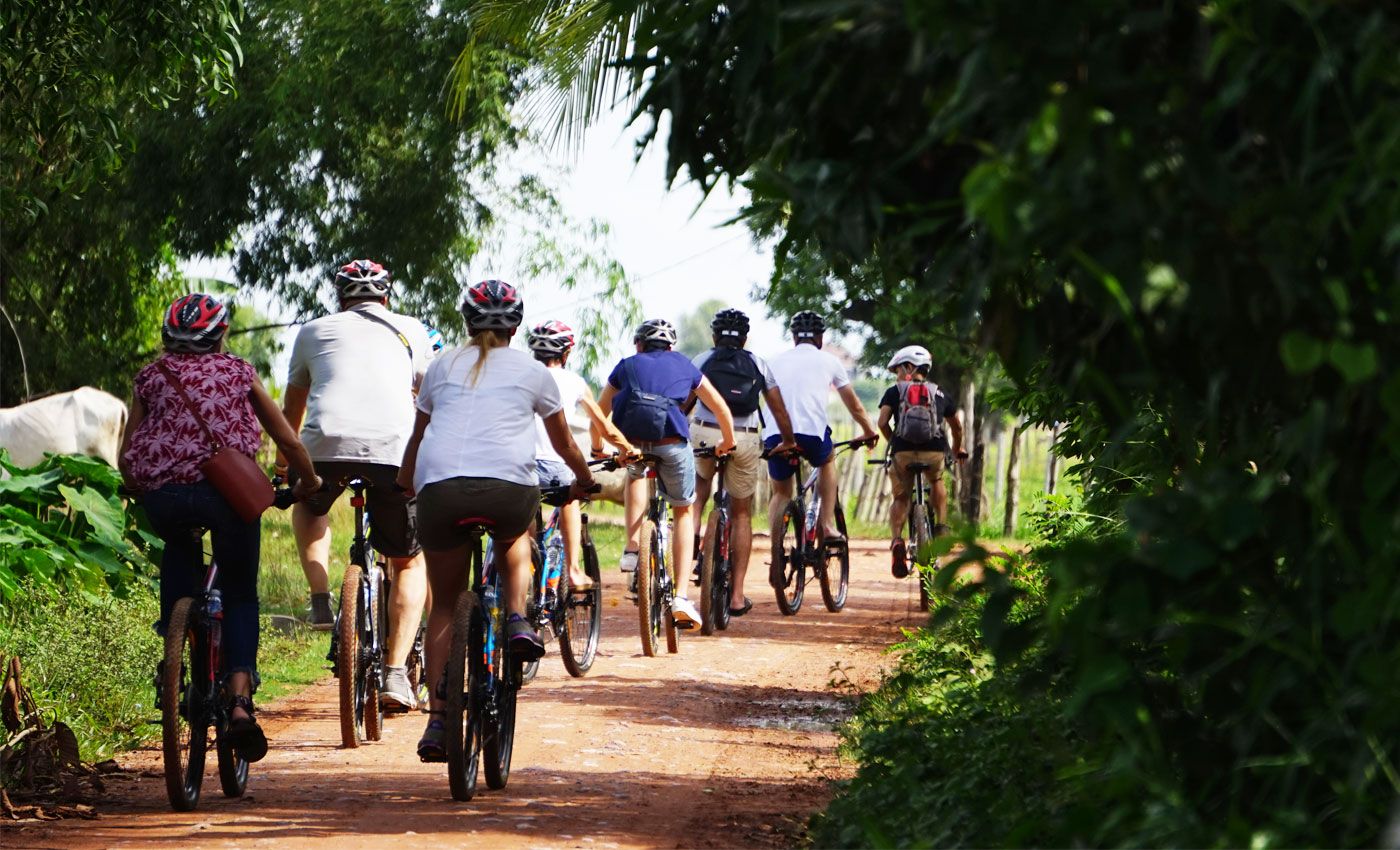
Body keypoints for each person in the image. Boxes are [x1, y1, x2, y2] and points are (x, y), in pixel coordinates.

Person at [395, 279, 596, 761]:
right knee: (513, 537)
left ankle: (439, 722)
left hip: (440, 490)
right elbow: (566, 444)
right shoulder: (535, 372)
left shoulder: (441, 366)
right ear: (518, 324)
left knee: (444, 605)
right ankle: (517, 620)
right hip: (508, 488)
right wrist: (584, 479)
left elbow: (418, 437)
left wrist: (406, 482)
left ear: (466, 321)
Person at [119, 293, 322, 763]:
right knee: (240, 593)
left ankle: (175, 645)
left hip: (165, 498)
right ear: (221, 334)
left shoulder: (151, 377)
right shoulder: (237, 372)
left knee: (178, 545)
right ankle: (238, 704)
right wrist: (308, 481)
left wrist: (137, 486)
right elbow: (287, 439)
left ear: (169, 335)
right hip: (228, 496)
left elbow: (130, 451)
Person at [277, 259, 432, 711]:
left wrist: (288, 466)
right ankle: (397, 674)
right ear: (386, 297)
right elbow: (427, 396)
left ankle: (321, 596)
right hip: (394, 449)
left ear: (341, 297)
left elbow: (293, 411)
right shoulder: (412, 330)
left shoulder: (311, 331)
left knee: (310, 505)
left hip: (323, 446)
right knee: (407, 561)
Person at [598, 318, 737, 630]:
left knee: (635, 474)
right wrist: (727, 442)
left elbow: (601, 409)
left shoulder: (625, 365)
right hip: (672, 443)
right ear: (671, 346)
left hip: (632, 442)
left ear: (639, 345)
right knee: (683, 511)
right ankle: (682, 596)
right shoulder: (685, 365)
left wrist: (597, 446)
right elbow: (719, 407)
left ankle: (633, 548)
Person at [690, 308, 797, 617]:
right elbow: (778, 409)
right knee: (741, 514)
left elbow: (685, 401)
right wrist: (788, 441)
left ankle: (688, 565)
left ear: (714, 336)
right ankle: (736, 596)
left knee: (696, 496)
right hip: (744, 437)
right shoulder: (757, 362)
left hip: (706, 434)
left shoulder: (701, 360)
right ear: (745, 338)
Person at [526, 320, 638, 588]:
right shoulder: (574, 381)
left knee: (523, 510)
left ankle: (527, 567)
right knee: (569, 498)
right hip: (554, 464)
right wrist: (627, 450)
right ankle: (574, 569)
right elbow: (604, 425)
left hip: (517, 464)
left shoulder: (520, 376)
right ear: (566, 354)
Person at [763, 311, 879, 548]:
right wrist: (868, 431)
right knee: (827, 460)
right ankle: (826, 524)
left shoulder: (773, 361)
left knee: (781, 494)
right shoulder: (830, 361)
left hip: (775, 435)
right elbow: (855, 405)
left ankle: (776, 548)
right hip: (811, 435)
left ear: (794, 338)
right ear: (820, 338)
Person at [877, 345, 966, 577]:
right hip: (933, 451)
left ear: (909, 367)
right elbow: (957, 427)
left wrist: (894, 442)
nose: (897, 374)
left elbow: (882, 422)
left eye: (898, 369)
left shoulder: (894, 391)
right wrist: (956, 450)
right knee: (936, 480)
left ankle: (897, 540)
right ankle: (942, 526)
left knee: (900, 497)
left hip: (902, 453)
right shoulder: (939, 392)